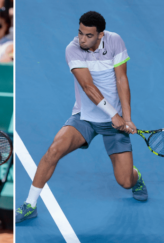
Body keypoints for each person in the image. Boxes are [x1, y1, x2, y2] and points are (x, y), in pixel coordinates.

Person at [16, 11, 148, 223]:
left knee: (125, 181)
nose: (82, 39)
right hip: (84, 118)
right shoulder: (73, 49)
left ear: (101, 35)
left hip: (114, 123)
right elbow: (88, 87)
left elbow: (122, 80)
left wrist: (127, 118)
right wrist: (114, 114)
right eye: (80, 33)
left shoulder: (115, 41)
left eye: (88, 35)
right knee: (53, 150)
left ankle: (136, 177)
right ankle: (30, 204)